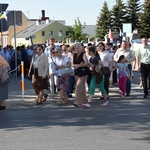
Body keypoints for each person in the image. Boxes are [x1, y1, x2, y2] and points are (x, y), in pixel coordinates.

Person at [72, 42, 89, 107]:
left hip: (83, 73)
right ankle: (84, 101)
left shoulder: (83, 54)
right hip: (76, 72)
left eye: (78, 48)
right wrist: (76, 65)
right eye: (76, 48)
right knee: (81, 88)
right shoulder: (74, 55)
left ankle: (76, 101)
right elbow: (73, 64)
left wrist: (79, 66)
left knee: (78, 87)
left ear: (81, 48)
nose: (77, 49)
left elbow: (86, 63)